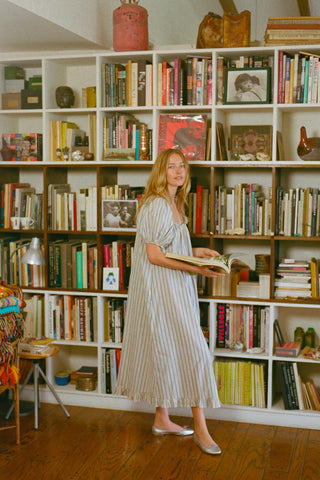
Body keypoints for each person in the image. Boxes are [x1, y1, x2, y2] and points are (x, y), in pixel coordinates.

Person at [115, 148, 222, 455]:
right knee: (194, 354)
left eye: (182, 166)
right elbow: (154, 255)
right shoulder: (156, 204)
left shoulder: (174, 203)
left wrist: (196, 251)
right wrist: (196, 269)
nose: (178, 171)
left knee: (166, 350)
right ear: (160, 172)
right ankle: (201, 428)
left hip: (174, 289)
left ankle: (162, 418)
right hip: (160, 292)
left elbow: (170, 245)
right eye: (171, 166)